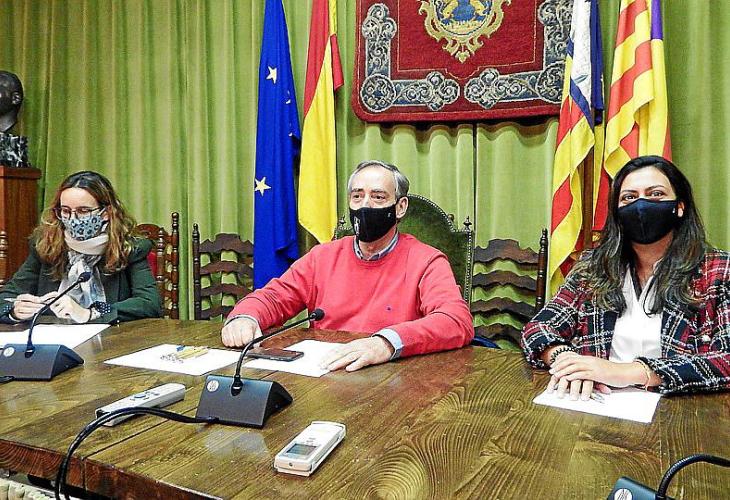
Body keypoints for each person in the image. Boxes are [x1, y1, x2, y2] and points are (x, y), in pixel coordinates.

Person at [222, 160, 474, 371]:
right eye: (357, 196)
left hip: (394, 379)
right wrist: (245, 317)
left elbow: (456, 320)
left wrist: (386, 343)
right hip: (325, 377)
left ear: (400, 207)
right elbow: (274, 298)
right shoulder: (322, 256)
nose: (365, 206)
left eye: (378, 197)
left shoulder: (427, 260)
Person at [522, 155, 730, 398]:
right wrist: (566, 359)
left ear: (680, 207)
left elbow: (726, 360)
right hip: (595, 402)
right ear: (617, 213)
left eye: (655, 194)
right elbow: (539, 327)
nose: (641, 205)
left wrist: (628, 372)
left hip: (681, 410)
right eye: (629, 197)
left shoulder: (718, 270)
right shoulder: (594, 266)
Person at [0, 171, 161, 324]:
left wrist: (91, 313)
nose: (73, 218)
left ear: (106, 212)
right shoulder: (46, 245)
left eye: (83, 211)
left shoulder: (130, 248)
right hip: (54, 335)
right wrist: (14, 311)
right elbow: (6, 296)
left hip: (111, 337)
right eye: (65, 211)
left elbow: (149, 304)